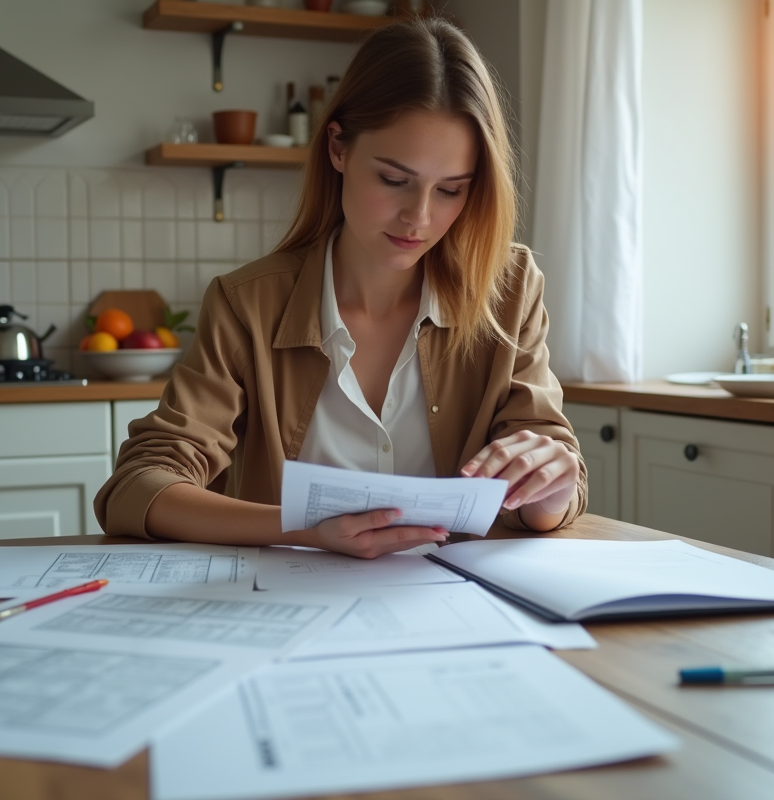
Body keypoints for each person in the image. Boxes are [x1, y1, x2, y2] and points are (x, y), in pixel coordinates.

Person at [94, 17, 587, 558]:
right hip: (286, 601)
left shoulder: (510, 291)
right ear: (338, 148)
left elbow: (546, 498)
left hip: (458, 601)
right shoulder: (246, 304)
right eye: (394, 180)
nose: (419, 217)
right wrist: (303, 530)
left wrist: (551, 486)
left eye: (451, 190)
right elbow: (136, 487)